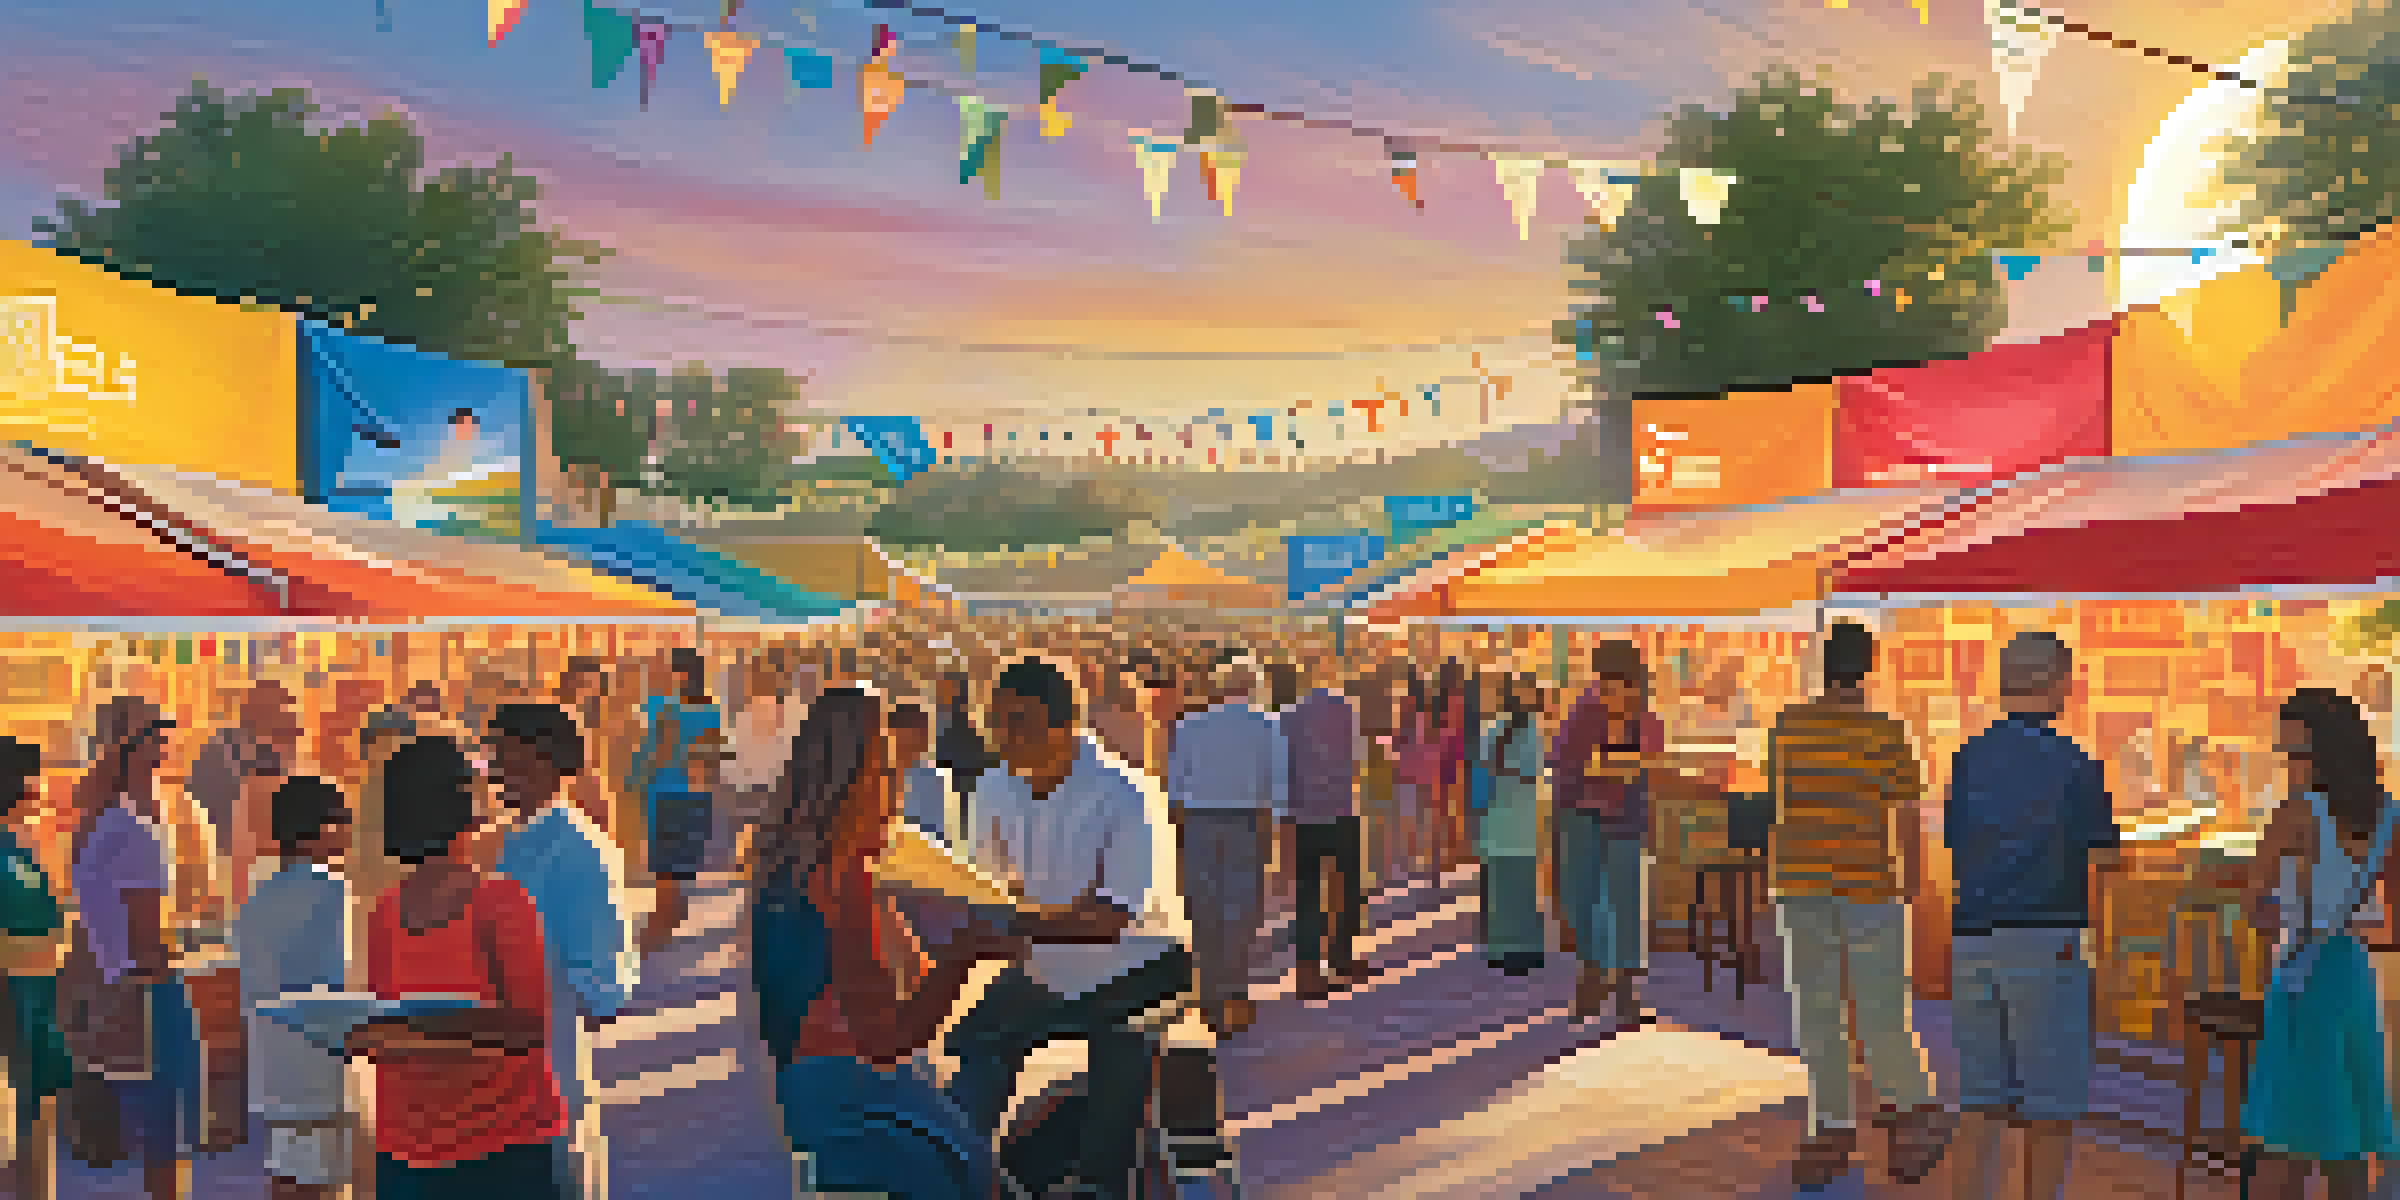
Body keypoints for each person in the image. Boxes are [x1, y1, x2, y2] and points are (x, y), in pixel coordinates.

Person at [747, 688, 1020, 1200]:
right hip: (855, 1101)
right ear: (854, 783)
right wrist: (966, 956)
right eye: (887, 772)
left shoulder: (788, 866)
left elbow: (901, 989)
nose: (898, 792)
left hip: (807, 1101)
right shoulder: (841, 877)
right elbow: (885, 1037)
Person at [948, 658, 1195, 1200]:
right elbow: (983, 901)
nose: (1002, 737)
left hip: (1140, 964)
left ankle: (1099, 1185)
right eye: (996, 722)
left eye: (1019, 724)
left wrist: (1025, 920)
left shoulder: (1126, 795)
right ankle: (958, 1166)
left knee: (1125, 1042)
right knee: (975, 1041)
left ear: (1067, 727)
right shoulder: (990, 790)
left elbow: (1112, 922)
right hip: (1045, 966)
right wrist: (1052, 917)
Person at [347, 735, 566, 1200]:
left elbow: (392, 1033)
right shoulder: (500, 903)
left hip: (410, 1153)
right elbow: (529, 1029)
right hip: (499, 1150)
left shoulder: (384, 915)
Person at [1765, 622, 1944, 1190]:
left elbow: (1780, 800)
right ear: (1868, 669)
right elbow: (1908, 819)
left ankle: (1832, 1127)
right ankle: (1909, 1108)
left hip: (1800, 881)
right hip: (1871, 885)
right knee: (1881, 1008)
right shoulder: (1889, 737)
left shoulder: (1787, 728)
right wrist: (1912, 886)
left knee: (1818, 1011)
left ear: (1823, 666)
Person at [1943, 632, 2113, 1200]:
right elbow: (2106, 854)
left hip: (1971, 936)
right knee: (2051, 1108)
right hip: (2047, 938)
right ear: (2057, 683)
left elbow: (1955, 843)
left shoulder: (1968, 757)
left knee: (1980, 1103)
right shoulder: (2074, 763)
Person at [2241, 688, 2398, 1200]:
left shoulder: (2294, 814)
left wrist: (2285, 914)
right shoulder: (2388, 815)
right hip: (2352, 975)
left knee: (2287, 1132)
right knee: (2346, 1128)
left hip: (2302, 976)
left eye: (2298, 755)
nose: (2291, 767)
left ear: (2324, 754)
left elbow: (2254, 906)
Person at [489, 705, 636, 1200]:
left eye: (514, 760)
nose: (502, 773)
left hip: (547, 1077)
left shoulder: (578, 850)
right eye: (499, 759)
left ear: (550, 764)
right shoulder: (510, 844)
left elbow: (602, 987)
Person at [61, 696, 203, 1200]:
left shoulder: (96, 822)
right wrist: (180, 960)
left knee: (146, 1131)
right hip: (143, 996)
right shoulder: (136, 831)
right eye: (160, 736)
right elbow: (146, 942)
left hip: (106, 987)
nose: (167, 747)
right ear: (141, 747)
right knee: (171, 1131)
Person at [235, 776, 356, 1200]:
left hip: (271, 1062)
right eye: (343, 819)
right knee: (322, 1184)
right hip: (321, 1065)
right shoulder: (333, 892)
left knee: (286, 1178)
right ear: (321, 829)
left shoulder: (257, 899)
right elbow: (338, 981)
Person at [1167, 660, 1287, 1035]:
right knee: (1241, 908)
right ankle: (1233, 990)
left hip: (1199, 821)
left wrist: (1178, 832)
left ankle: (1209, 993)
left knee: (1203, 908)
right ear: (1252, 687)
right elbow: (1277, 786)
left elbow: (1174, 787)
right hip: (1247, 823)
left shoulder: (1189, 726)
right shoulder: (1269, 726)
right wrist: (1276, 834)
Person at [1547, 642, 1663, 1023]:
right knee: (1589, 901)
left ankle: (1623, 990)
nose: (1617, 693)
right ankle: (1594, 984)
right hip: (1584, 817)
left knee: (1623, 901)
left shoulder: (1641, 716)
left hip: (1622, 817)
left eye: (1624, 685)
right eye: (1609, 685)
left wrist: (1608, 764)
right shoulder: (1585, 712)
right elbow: (1564, 760)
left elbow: (1650, 757)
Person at [0, 739, 72, 1200]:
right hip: (13, 995)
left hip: (42, 992)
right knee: (17, 1116)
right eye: (36, 777)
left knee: (37, 1112)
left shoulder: (25, 845)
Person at [630, 648, 721, 955]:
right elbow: (712, 761)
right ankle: (664, 934)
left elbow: (654, 753)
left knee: (666, 875)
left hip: (667, 794)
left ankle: (654, 940)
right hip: (697, 796)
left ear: (680, 674)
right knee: (680, 873)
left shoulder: (662, 707)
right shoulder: (712, 710)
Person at [1285, 682, 1370, 1000]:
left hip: (1304, 813)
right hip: (1341, 809)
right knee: (1347, 888)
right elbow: (1357, 759)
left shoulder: (1289, 716)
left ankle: (1308, 972)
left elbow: (1285, 765)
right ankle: (1341, 957)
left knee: (1308, 894)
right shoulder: (1347, 710)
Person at [1480, 672, 1548, 976]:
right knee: (1516, 888)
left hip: (1502, 820)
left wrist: (1501, 771)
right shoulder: (1528, 729)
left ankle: (1505, 950)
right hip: (1515, 820)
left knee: (1505, 887)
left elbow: (1486, 770)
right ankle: (1518, 951)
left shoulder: (1496, 728)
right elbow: (1532, 772)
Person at [889, 704, 959, 847]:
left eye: (923, 733)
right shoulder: (876, 770)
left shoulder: (932, 778)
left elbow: (937, 835)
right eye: (912, 732)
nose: (920, 740)